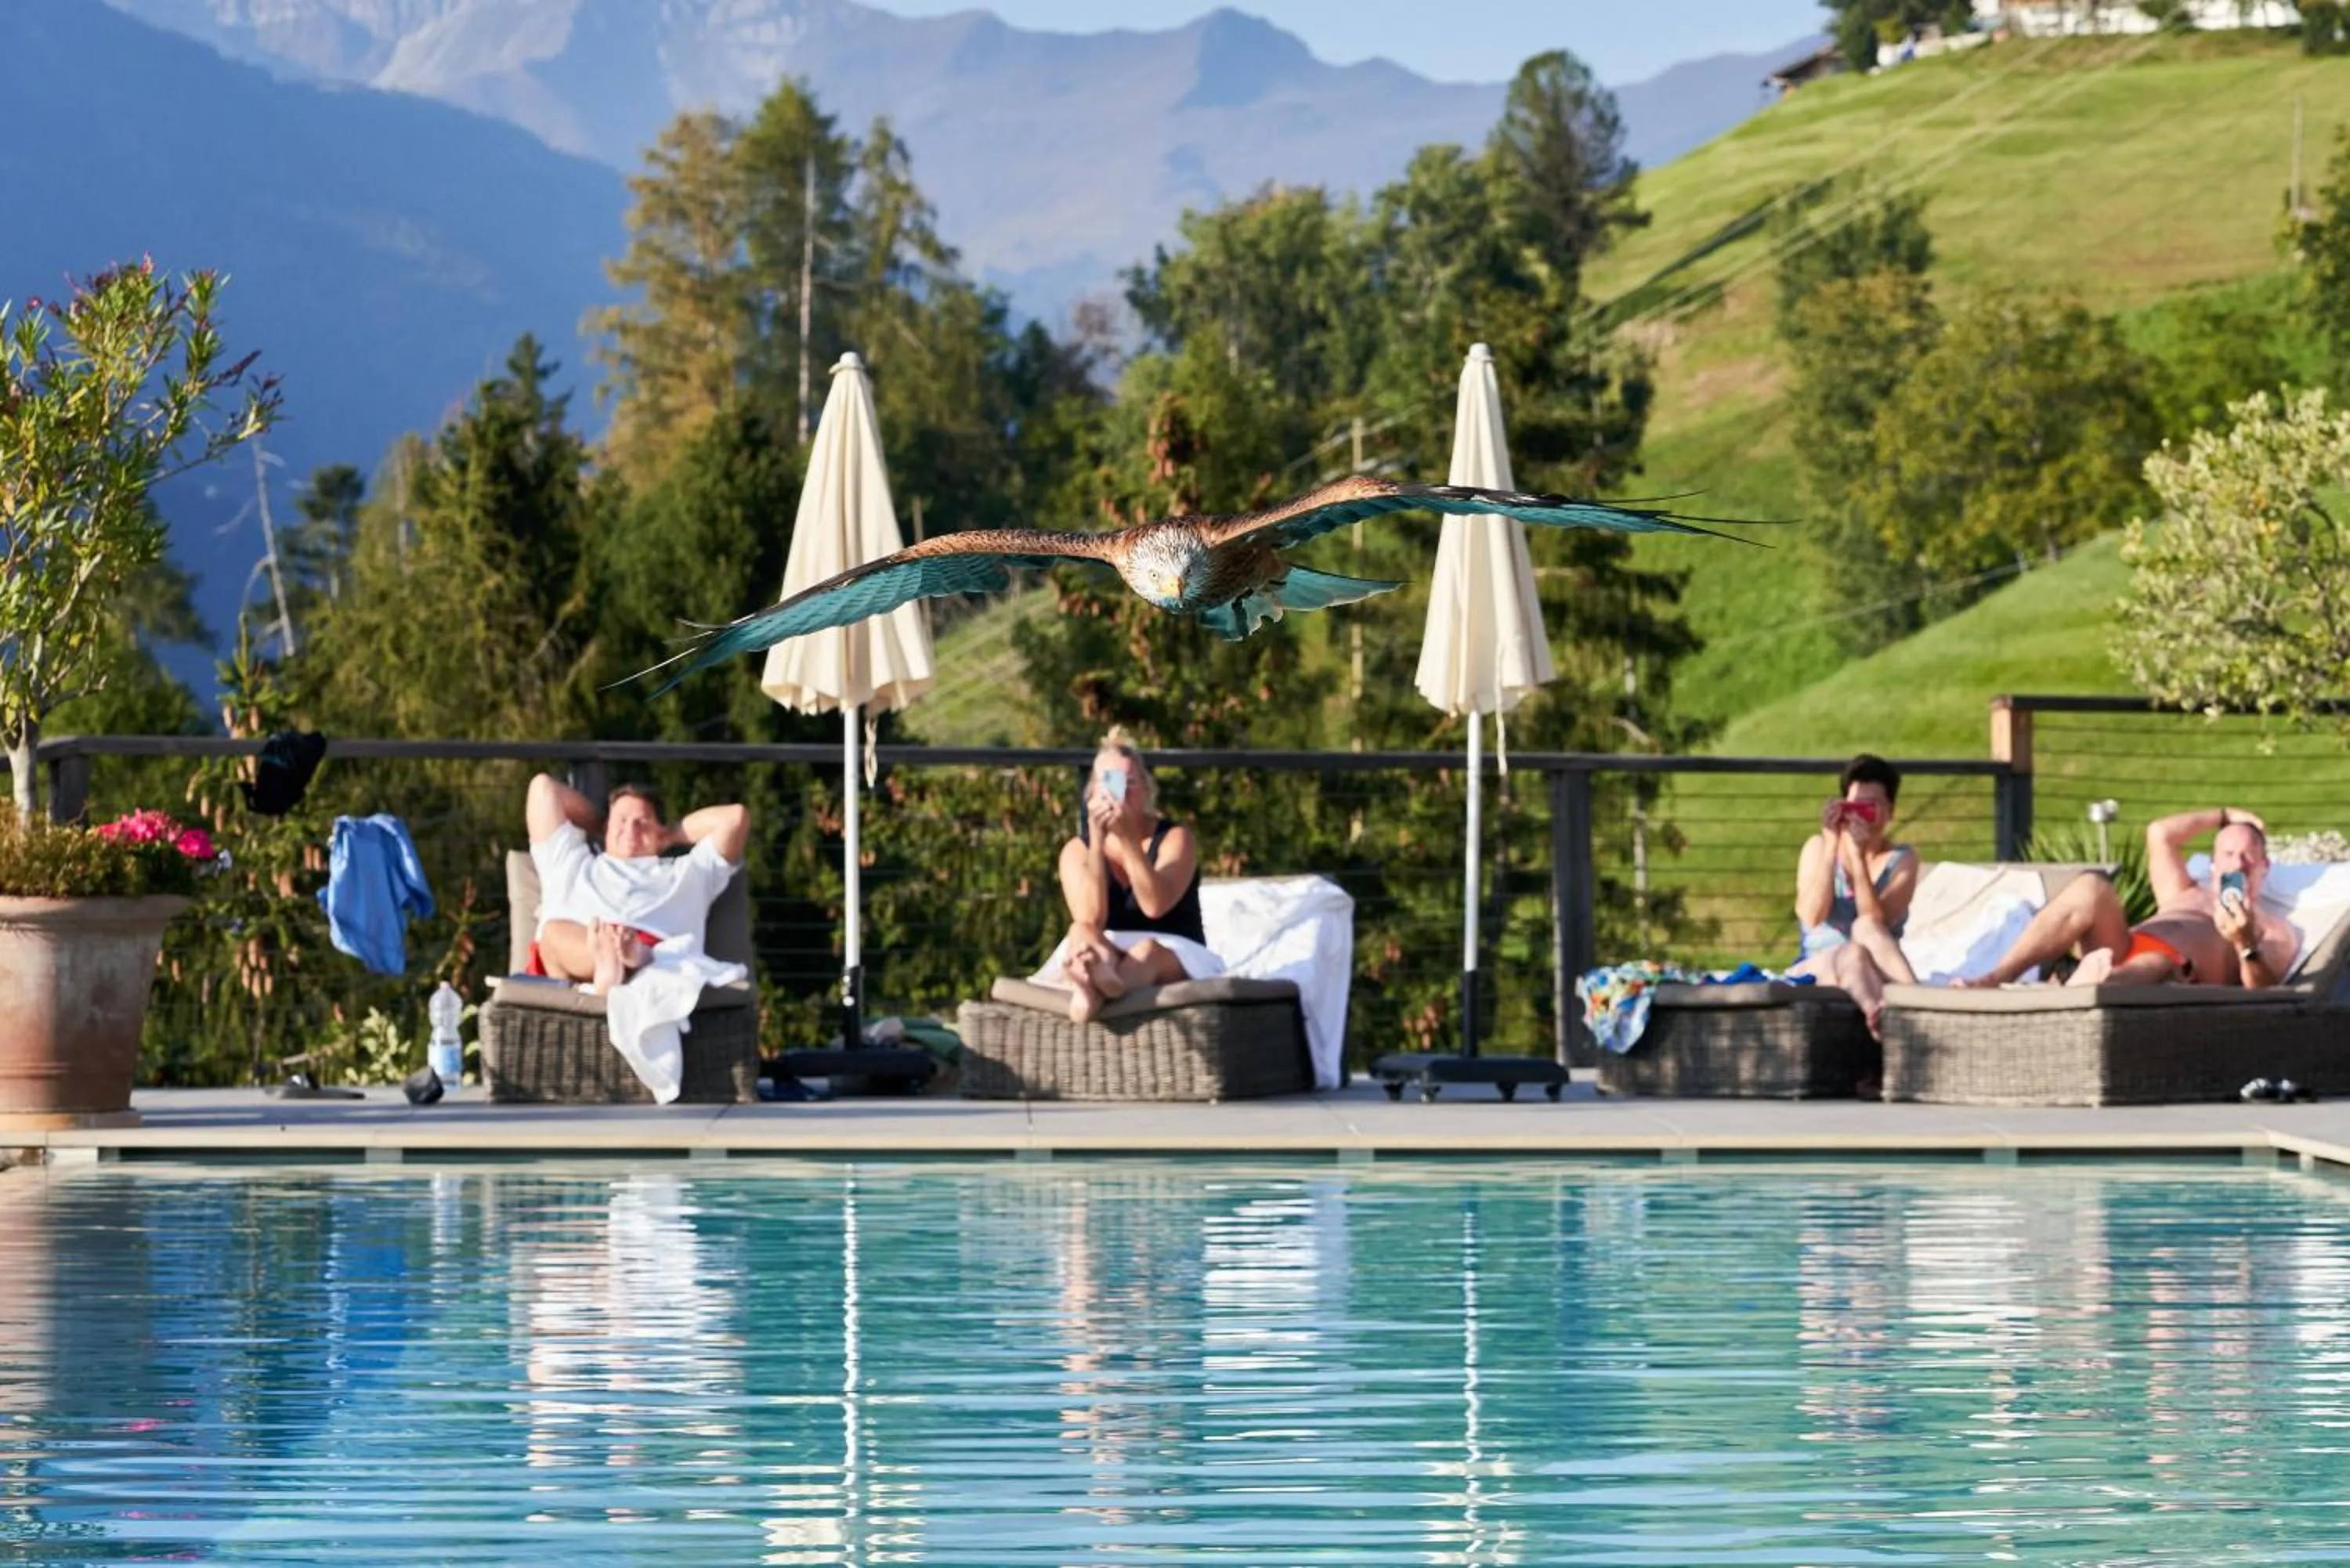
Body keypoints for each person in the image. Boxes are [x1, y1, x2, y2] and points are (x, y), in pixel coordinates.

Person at [1956, 806, 2295, 989]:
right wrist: (2223, 815)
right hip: (2119, 946)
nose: (2239, 863)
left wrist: (2244, 943)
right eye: (2229, 853)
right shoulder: (2185, 890)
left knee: (2159, 962)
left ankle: (2087, 988)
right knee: (2092, 886)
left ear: (2265, 867)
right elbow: (2159, 833)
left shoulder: (2272, 927)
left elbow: (2262, 990)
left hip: (2173, 972)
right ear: (2213, 863)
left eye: (2249, 857)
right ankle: (1995, 978)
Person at [1053, 728, 1223, 1024]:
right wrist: (1097, 840)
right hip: (1110, 953)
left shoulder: (1175, 838)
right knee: (1080, 931)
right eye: (1110, 783)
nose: (1121, 793)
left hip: (1175, 953)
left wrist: (1130, 842)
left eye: (1130, 782)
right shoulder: (1076, 851)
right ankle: (1104, 980)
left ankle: (1094, 995)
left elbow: (1154, 906)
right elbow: (1091, 918)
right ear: (1091, 791)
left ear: (1146, 790)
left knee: (1147, 951)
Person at [524, 773, 750, 995]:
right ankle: (612, 960)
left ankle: (626, 961)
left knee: (567, 938)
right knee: (553, 934)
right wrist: (602, 825)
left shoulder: (688, 873)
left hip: (657, 960)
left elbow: (735, 819)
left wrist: (670, 835)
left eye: (643, 822)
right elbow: (543, 789)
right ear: (606, 828)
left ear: (659, 832)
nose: (631, 829)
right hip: (581, 955)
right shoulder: (571, 862)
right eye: (622, 820)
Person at [1788, 753, 1920, 1037]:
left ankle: (1906, 1008)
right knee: (1851, 953)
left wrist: (1858, 860)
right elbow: (1812, 916)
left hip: (1875, 966)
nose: (1861, 816)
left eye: (1870, 807)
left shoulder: (1902, 859)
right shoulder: (1816, 848)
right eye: (1854, 805)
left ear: (1890, 812)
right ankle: (1900, 1014)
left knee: (1864, 930)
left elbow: (1876, 921)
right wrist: (1832, 847)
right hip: (1819, 965)